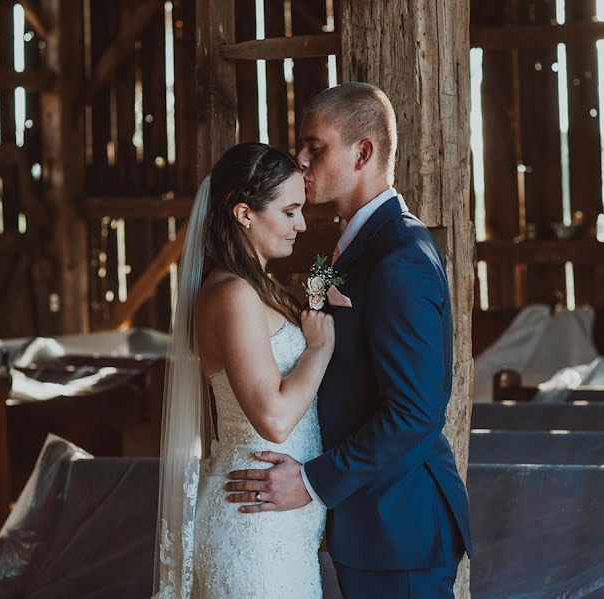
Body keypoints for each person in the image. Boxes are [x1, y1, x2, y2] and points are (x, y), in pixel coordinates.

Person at [225, 82, 473, 598]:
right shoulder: (354, 249)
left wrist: (313, 482)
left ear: (363, 152)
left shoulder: (399, 256)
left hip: (398, 527)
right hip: (368, 524)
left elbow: (416, 412)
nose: (300, 159)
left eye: (315, 147)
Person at [153, 142, 335, 598]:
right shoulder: (232, 294)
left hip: (282, 524)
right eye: (290, 211)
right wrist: (318, 350)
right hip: (252, 524)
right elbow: (272, 419)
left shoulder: (260, 287)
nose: (302, 224)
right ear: (244, 214)